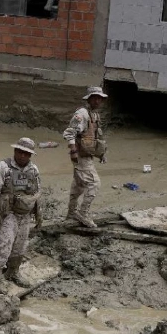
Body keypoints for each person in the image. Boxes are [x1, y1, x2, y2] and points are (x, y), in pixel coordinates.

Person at [0, 137, 42, 294]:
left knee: (20, 244)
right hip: (8, 212)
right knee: (4, 243)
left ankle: (13, 272)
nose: (22, 155)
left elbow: (37, 192)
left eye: (26, 153)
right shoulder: (3, 167)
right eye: (20, 152)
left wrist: (38, 213)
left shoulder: (33, 170)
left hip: (25, 213)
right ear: (15, 151)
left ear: (30, 155)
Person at [62, 86, 108, 229]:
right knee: (95, 183)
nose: (97, 100)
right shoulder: (82, 114)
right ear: (89, 99)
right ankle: (83, 213)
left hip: (87, 155)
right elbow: (69, 133)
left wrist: (101, 154)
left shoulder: (95, 115)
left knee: (79, 185)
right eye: (95, 97)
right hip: (81, 156)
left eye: (100, 98)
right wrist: (73, 152)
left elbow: (96, 138)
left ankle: (71, 213)